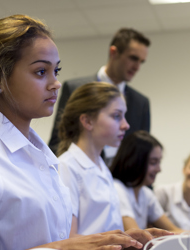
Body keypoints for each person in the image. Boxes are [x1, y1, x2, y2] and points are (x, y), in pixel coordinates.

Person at [0, 15, 147, 250]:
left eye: (56, 71)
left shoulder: (41, 156)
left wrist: (117, 240)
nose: (56, 83)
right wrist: (63, 248)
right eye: (41, 72)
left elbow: (56, 239)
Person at [57, 82, 170, 242]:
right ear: (88, 121)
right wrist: (118, 240)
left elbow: (106, 229)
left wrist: (128, 238)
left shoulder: (102, 168)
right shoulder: (67, 167)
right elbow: (67, 240)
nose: (126, 125)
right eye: (117, 116)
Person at [49, 28, 151, 165]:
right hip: (78, 174)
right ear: (114, 52)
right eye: (133, 58)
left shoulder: (141, 103)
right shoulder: (75, 89)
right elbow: (59, 140)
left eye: (141, 61)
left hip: (117, 181)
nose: (137, 66)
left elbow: (142, 155)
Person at [111, 131, 190, 233]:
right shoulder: (118, 189)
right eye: (153, 162)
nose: (159, 169)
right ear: (136, 161)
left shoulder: (146, 194)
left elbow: (173, 231)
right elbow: (138, 236)